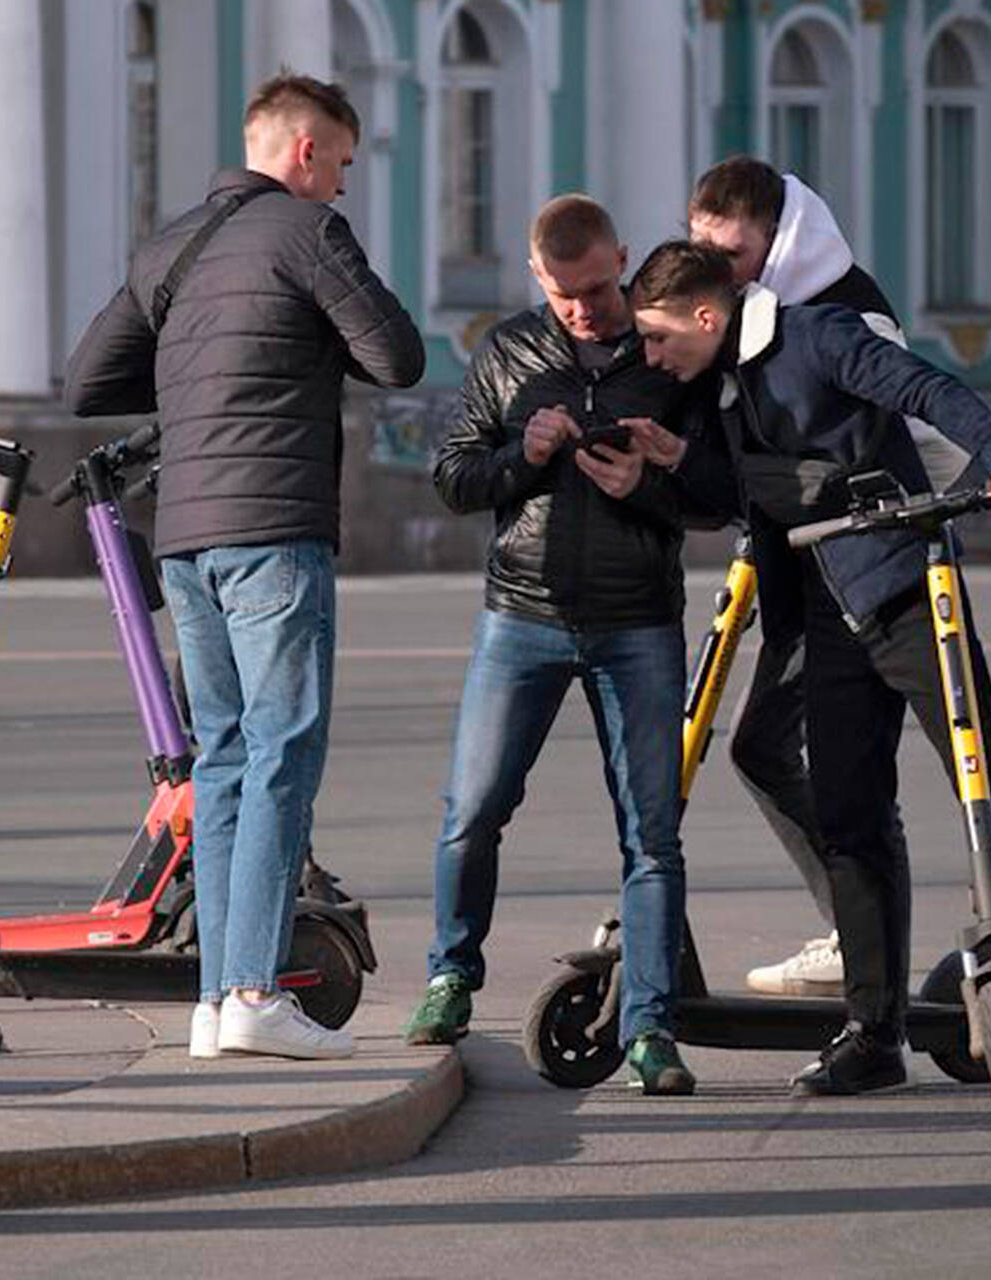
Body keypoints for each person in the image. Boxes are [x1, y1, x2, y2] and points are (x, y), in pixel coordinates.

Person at [64, 74, 424, 1061]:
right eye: (342, 164)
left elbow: (86, 379)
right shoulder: (306, 235)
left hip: (185, 533)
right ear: (305, 153)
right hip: (273, 524)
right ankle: (254, 990)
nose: (343, 185)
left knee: (221, 757)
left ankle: (218, 1001)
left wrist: (203, 364)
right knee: (280, 752)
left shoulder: (169, 244)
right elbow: (395, 356)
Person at [628, 239, 991, 1094]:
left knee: (983, 783)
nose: (651, 356)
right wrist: (674, 462)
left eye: (657, 337)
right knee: (851, 816)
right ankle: (873, 1034)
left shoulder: (819, 336)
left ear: (707, 317)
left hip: (904, 592)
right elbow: (739, 494)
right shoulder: (716, 382)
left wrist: (984, 462)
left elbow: (927, 389)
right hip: (826, 621)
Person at [401, 194, 702, 1096]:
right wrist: (523, 458)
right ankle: (451, 977)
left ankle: (650, 1030)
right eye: (565, 294)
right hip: (521, 616)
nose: (584, 309)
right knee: (473, 810)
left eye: (599, 288)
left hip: (639, 620)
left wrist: (650, 478)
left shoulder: (666, 361)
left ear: (621, 256)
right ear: (538, 277)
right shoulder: (509, 352)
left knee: (652, 836)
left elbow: (718, 493)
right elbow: (452, 478)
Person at [681, 156, 986, 997]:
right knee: (778, 757)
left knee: (975, 767)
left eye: (732, 254)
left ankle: (891, 947)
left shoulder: (838, 317)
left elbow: (922, 400)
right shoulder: (731, 323)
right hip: (806, 586)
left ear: (777, 243)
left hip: (887, 569)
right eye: (702, 251)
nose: (717, 271)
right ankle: (856, 942)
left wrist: (968, 477)